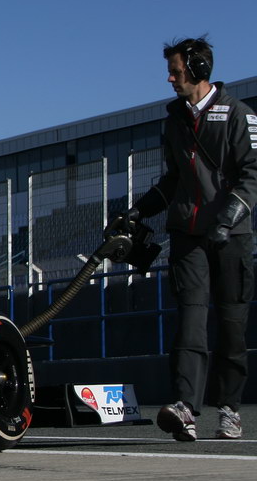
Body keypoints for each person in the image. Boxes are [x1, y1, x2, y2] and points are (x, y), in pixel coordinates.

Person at [108, 38, 256, 441]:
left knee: (231, 326)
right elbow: (173, 179)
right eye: (171, 71)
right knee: (190, 321)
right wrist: (138, 210)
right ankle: (185, 407)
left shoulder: (240, 115)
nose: (170, 78)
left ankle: (229, 410)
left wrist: (227, 219)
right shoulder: (174, 121)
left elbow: (253, 173)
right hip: (187, 236)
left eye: (176, 71)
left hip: (232, 237)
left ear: (198, 68)